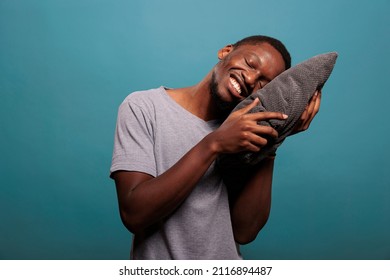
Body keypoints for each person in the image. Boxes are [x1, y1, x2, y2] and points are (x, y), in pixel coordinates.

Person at [110, 35, 321, 259]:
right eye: (250, 63)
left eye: (263, 83)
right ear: (225, 51)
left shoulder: (247, 132)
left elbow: (245, 231)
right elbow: (134, 214)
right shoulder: (144, 107)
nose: (250, 79)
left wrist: (273, 140)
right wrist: (215, 143)